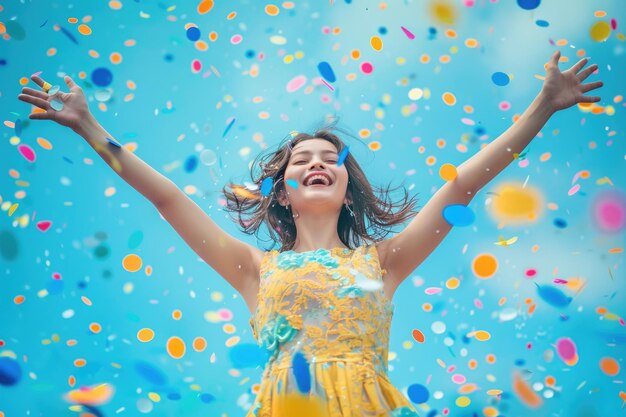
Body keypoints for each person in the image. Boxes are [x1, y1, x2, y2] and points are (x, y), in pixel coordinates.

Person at [17, 50, 602, 417]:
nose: (317, 162)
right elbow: (167, 198)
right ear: (282, 191)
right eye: (302, 160)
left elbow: (459, 190)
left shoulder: (385, 261)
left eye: (331, 157)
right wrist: (90, 127)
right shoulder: (253, 268)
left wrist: (542, 108)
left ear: (348, 188)